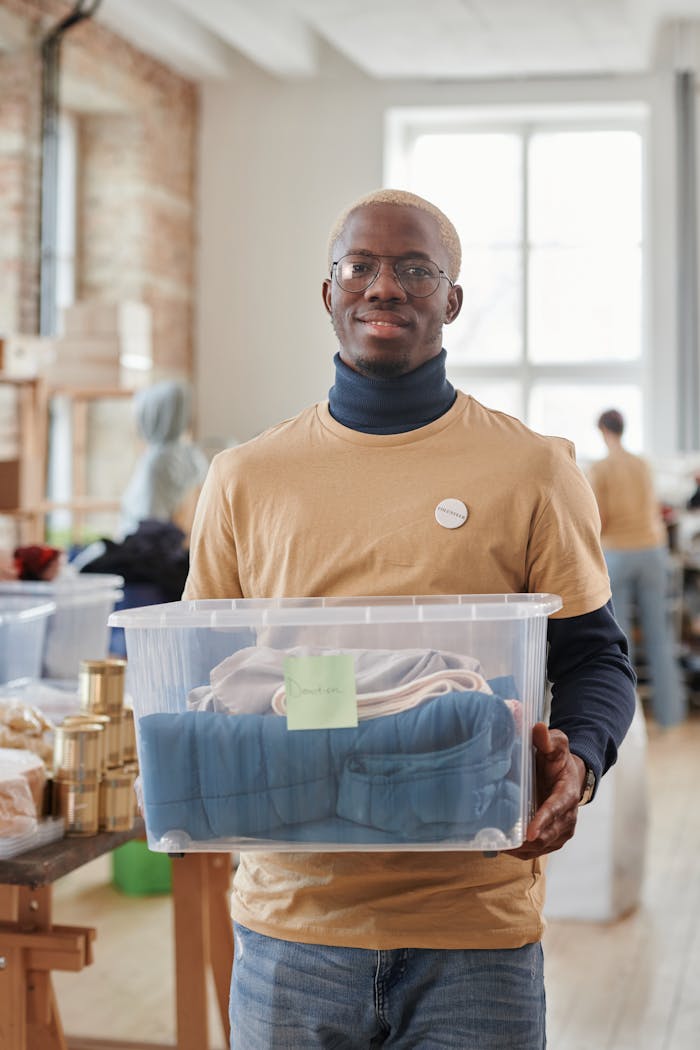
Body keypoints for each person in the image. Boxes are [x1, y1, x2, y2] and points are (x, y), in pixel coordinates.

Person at [184, 189, 636, 1049]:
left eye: (415, 269)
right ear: (329, 293)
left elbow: (594, 660)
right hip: (293, 921)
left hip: (475, 921)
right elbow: (215, 678)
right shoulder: (244, 477)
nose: (384, 286)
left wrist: (579, 762)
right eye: (360, 266)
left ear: (451, 300)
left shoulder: (534, 469)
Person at [588, 409, 686, 728]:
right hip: (653, 551)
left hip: (618, 552)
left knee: (621, 638)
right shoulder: (643, 464)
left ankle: (629, 723)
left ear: (603, 431)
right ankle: (671, 718)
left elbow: (598, 517)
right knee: (660, 636)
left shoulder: (600, 469)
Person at [119, 378, 209, 542]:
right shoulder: (193, 455)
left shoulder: (155, 462)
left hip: (152, 555)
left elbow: (147, 523)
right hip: (182, 549)